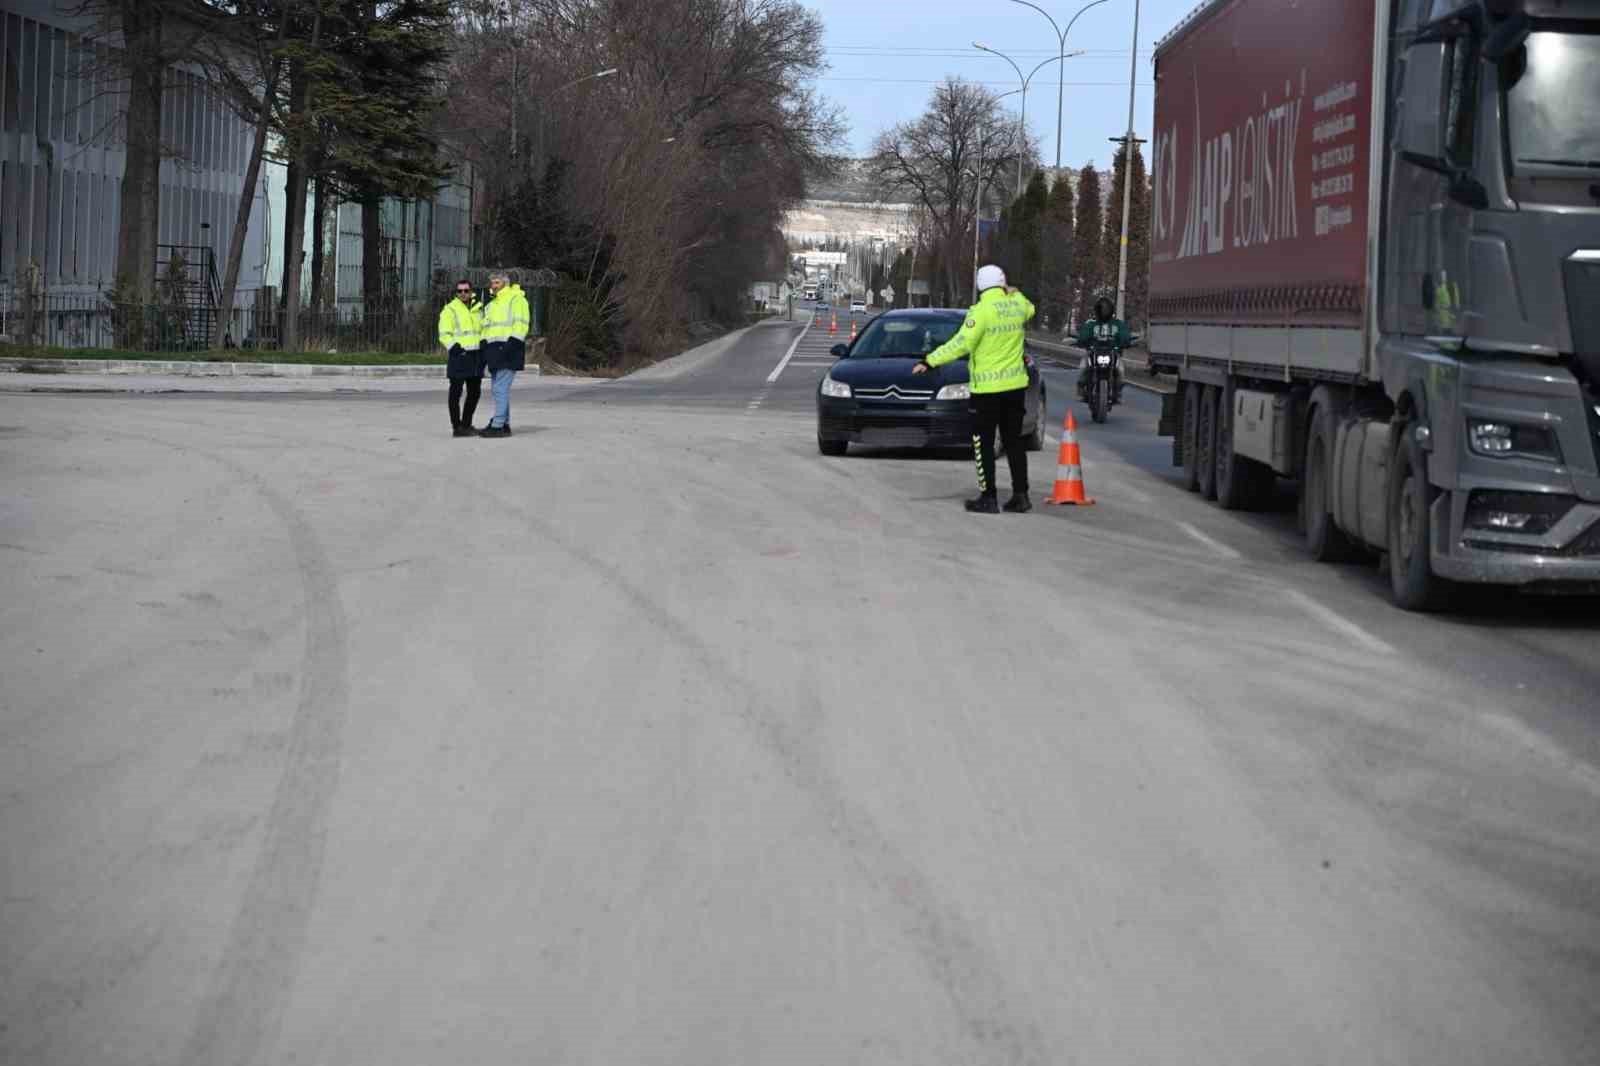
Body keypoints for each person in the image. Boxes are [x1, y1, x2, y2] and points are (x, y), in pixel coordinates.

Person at [912, 264, 1035, 514]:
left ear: (980, 285)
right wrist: (1015, 292)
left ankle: (988, 497)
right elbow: (1030, 309)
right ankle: (1021, 496)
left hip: (987, 390)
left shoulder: (980, 311)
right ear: (1002, 282)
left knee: (983, 443)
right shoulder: (1017, 304)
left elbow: (961, 344)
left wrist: (930, 360)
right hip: (1014, 387)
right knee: (1014, 442)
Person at [478, 272, 530, 438]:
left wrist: (510, 346)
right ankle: (503, 423)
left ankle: (498, 425)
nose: (493, 285)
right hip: (493, 350)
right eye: (492, 282)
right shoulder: (491, 305)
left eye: (497, 282)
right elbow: (486, 328)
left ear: (505, 284)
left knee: (500, 388)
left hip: (509, 349)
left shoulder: (516, 299)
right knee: (498, 389)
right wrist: (484, 346)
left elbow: (521, 324)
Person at [438, 279, 484, 437]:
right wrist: (454, 348)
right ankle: (457, 427)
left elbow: (482, 329)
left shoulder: (479, 308)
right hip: (459, 356)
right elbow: (444, 333)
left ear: (471, 291)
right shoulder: (450, 309)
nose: (463, 293)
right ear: (456, 293)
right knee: (455, 393)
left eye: (466, 290)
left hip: (476, 356)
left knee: (474, 393)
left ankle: (467, 424)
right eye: (460, 291)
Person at [1076, 295, 1132, 402]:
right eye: (1101, 309)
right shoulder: (1091, 324)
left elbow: (1124, 335)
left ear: (1111, 310)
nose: (1104, 312)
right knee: (1083, 367)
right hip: (1094, 352)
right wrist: (1081, 341)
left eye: (1106, 309)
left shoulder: (1118, 324)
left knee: (1120, 370)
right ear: (1097, 310)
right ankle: (1081, 388)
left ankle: (1118, 391)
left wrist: (1126, 341)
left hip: (1112, 352)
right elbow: (1083, 335)